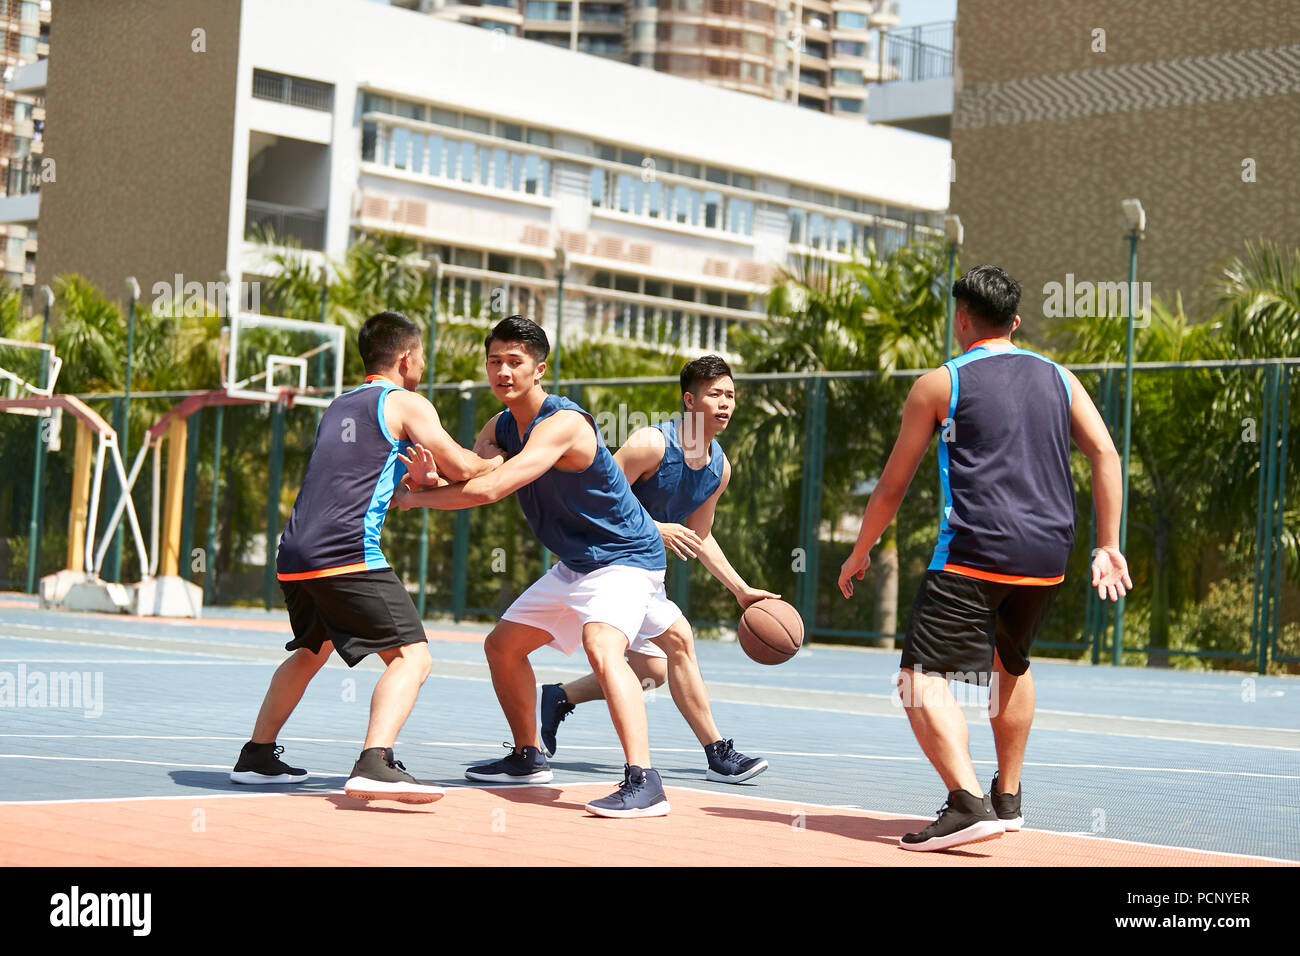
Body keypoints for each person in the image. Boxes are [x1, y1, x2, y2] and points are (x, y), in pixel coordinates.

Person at [837, 265, 1132, 851]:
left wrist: (860, 550)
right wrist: (1108, 542)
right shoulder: (1060, 377)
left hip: (975, 549)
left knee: (919, 678)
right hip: (1049, 552)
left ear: (962, 319)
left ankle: (966, 802)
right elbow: (1105, 453)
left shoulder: (940, 383)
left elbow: (893, 484)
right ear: (1016, 323)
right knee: (1009, 666)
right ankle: (1008, 798)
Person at [394, 315, 677, 817]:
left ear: (539, 368)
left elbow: (491, 489)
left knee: (602, 646)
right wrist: (428, 480)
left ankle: (644, 780)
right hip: (577, 563)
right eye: (494, 361)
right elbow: (477, 471)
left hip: (625, 558)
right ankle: (529, 755)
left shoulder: (564, 424)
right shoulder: (500, 425)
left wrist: (417, 500)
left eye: (514, 362)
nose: (502, 371)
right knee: (502, 647)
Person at [229, 310, 501, 803]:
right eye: (421, 354)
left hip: (295, 552)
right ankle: (375, 761)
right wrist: (503, 460)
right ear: (406, 357)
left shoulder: (339, 405)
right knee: (413, 658)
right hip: (344, 552)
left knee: (312, 651)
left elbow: (364, 483)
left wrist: (418, 481)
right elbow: (464, 464)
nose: (423, 362)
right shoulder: (406, 402)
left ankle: (257, 755)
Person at [537, 355, 777, 783]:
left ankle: (559, 696)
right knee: (681, 641)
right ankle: (717, 753)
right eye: (715, 394)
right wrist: (655, 527)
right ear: (689, 400)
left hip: (641, 570)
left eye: (731, 395)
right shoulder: (651, 444)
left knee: (652, 672)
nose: (725, 403)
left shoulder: (719, 468)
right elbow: (597, 497)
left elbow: (700, 535)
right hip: (605, 561)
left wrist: (741, 590)